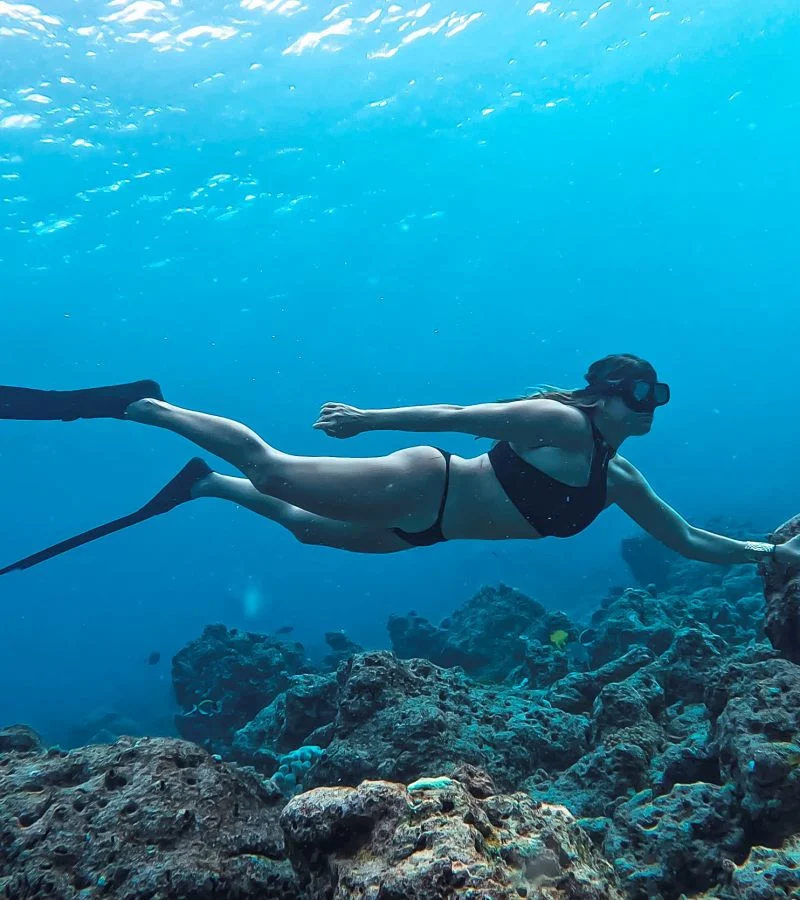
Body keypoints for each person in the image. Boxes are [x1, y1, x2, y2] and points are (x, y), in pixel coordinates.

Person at [1, 353, 798, 574]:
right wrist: (366, 419)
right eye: (639, 392)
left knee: (304, 529)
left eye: (659, 395)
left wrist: (770, 554)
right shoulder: (562, 422)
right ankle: (145, 404)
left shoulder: (618, 478)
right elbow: (461, 416)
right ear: (603, 396)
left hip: (428, 529)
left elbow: (688, 539)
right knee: (275, 471)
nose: (651, 404)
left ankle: (206, 484)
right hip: (427, 482)